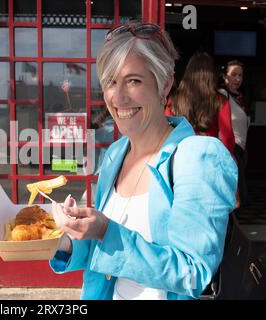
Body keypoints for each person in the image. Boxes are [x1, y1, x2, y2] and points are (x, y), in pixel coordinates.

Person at [49, 23, 238, 300]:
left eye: (133, 80)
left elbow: (193, 272)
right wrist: (70, 236)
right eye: (111, 81)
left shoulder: (199, 157)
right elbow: (104, 251)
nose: (119, 96)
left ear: (165, 84)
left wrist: (105, 230)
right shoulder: (115, 153)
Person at [165, 52, 235, 154]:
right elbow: (227, 137)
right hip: (208, 156)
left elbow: (166, 130)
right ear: (211, 74)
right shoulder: (220, 101)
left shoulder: (173, 99)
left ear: (188, 72)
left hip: (181, 156)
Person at [219, 60, 250, 206]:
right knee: (235, 194)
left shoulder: (242, 98)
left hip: (240, 149)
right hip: (229, 148)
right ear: (225, 77)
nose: (238, 79)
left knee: (238, 194)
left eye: (240, 75)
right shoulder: (222, 95)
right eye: (234, 75)